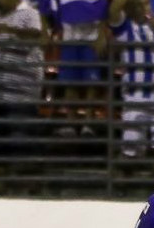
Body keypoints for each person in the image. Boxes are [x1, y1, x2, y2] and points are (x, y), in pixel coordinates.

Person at [0, 0, 44, 158]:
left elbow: (36, 36)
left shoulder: (31, 14)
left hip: (19, 91)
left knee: (20, 140)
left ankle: (21, 176)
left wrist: (11, 30)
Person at [109, 0, 154, 157]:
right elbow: (113, 10)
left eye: (146, 4)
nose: (144, 8)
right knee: (131, 150)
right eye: (139, 4)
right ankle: (128, 178)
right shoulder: (125, 27)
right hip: (134, 99)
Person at [39, 0, 108, 137]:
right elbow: (44, 5)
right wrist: (45, 32)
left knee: (91, 83)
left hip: (91, 35)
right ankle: (70, 122)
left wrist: (101, 35)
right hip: (69, 35)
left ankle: (89, 123)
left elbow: (104, 6)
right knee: (69, 82)